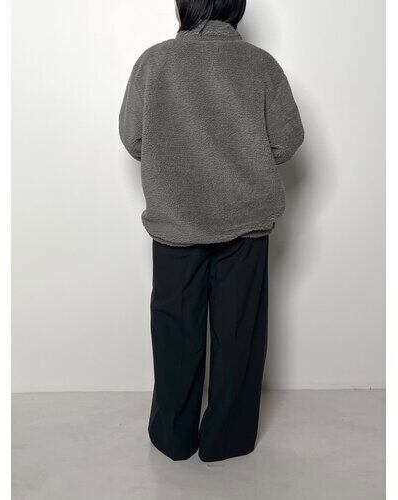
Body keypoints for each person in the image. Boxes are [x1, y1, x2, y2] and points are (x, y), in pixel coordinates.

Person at [119, 0, 304, 462]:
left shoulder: (155, 62)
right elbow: (288, 139)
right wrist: (242, 157)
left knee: (174, 332)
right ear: (236, 7)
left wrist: (175, 158)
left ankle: (173, 436)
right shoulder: (260, 64)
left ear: (183, 7)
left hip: (175, 222)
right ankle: (228, 439)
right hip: (245, 222)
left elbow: (133, 137)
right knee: (239, 333)